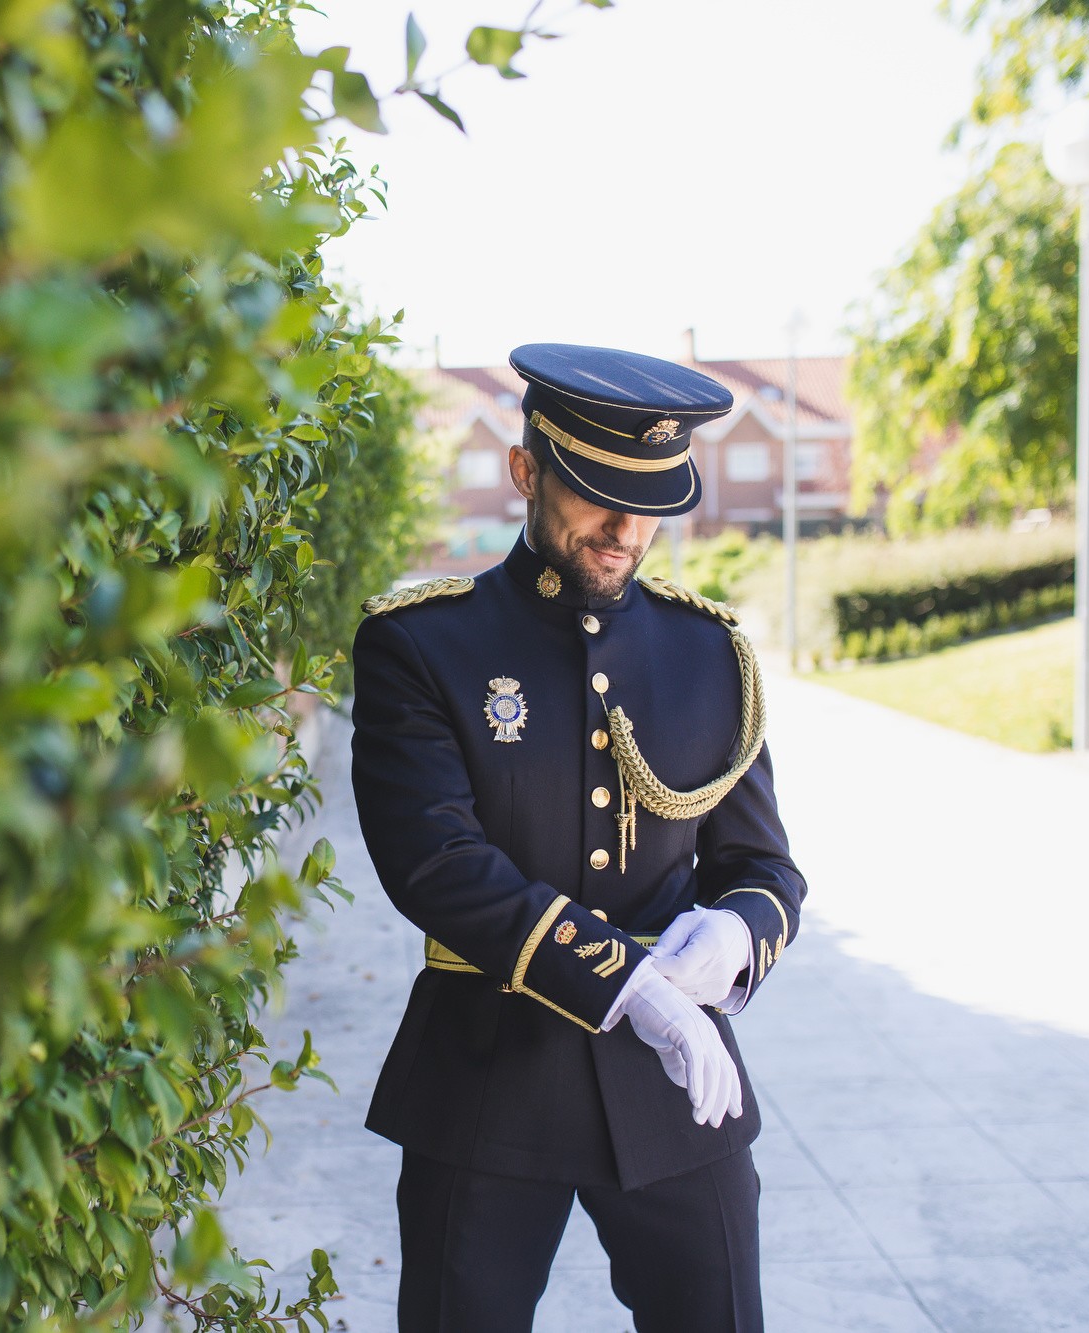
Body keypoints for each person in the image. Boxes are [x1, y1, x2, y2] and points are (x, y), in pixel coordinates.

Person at [349, 343, 807, 1332]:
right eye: (598, 494)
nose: (624, 528)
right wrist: (628, 984)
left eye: (647, 501)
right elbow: (436, 862)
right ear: (525, 472)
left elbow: (760, 868)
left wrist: (733, 935)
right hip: (484, 1075)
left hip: (676, 1083)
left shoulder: (709, 654)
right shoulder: (421, 646)